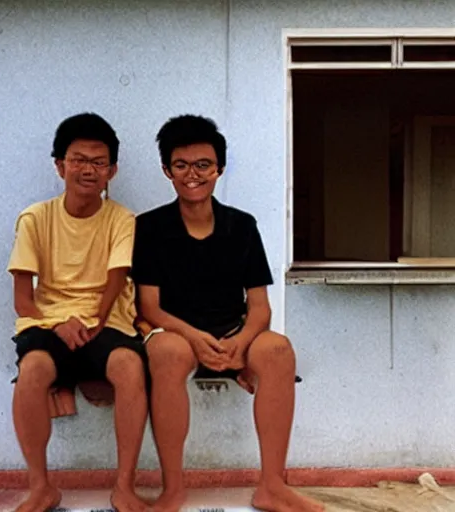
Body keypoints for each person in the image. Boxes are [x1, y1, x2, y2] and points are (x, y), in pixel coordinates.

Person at [132, 115, 324, 512]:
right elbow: (149, 305)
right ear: (167, 170)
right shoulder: (150, 227)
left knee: (277, 351)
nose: (193, 174)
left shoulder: (242, 226)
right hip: (173, 331)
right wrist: (193, 338)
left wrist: (241, 342)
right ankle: (173, 489)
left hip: (232, 329)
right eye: (181, 165)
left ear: (219, 168)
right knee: (169, 355)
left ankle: (271, 485)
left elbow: (259, 307)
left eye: (203, 164)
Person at [7, 113, 148, 512]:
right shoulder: (36, 218)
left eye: (99, 162)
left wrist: (91, 323)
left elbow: (116, 282)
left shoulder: (122, 219)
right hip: (50, 322)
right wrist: (57, 324)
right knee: (32, 371)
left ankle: (125, 487)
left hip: (106, 323)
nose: (88, 169)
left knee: (129, 367)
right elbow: (23, 300)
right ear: (59, 165)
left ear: (112, 171)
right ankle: (41, 487)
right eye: (78, 159)